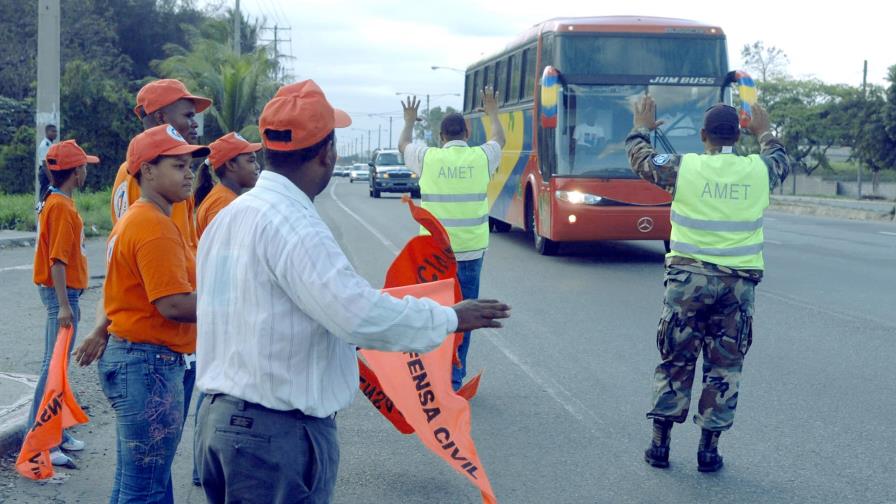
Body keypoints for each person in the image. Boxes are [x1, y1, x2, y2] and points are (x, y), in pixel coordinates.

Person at [194, 80, 511, 503]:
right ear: (327, 153)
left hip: (221, 425)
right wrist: (452, 317)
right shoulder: (295, 226)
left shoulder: (230, 217)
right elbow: (358, 316)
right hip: (274, 438)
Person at [626, 96, 791, 472]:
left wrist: (641, 127)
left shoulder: (686, 168)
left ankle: (659, 446)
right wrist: (764, 132)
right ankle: (708, 451)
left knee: (676, 360)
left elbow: (641, 158)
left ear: (703, 136)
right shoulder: (758, 170)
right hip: (737, 286)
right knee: (724, 368)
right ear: (739, 135)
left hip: (688, 283)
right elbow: (780, 157)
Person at [90, 124, 209, 502]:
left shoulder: (144, 218)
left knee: (133, 483)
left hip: (138, 360)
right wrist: (234, 304)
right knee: (146, 489)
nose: (189, 172)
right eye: (177, 165)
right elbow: (172, 304)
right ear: (147, 170)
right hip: (150, 365)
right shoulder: (154, 226)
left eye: (191, 165)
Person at [106, 78, 211, 429]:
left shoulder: (167, 177)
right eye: (187, 115)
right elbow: (139, 268)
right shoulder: (149, 183)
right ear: (159, 116)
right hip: (156, 339)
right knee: (150, 471)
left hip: (167, 334)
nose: (194, 123)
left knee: (150, 465)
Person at [398, 86, 506, 391]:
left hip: (434, 254)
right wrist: (493, 113)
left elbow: (404, 143)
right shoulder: (480, 158)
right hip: (470, 252)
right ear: (467, 132)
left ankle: (430, 377)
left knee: (433, 314)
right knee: (464, 316)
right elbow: (500, 139)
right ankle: (454, 380)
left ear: (439, 135)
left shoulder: (427, 158)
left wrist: (409, 120)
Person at [31, 139, 99, 467]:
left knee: (57, 368)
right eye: (84, 165)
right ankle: (41, 439)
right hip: (63, 295)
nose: (87, 169)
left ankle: (56, 433)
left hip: (66, 293)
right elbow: (57, 261)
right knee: (51, 368)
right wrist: (63, 305)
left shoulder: (58, 201)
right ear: (75, 172)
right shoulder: (60, 207)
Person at [194, 131, 261, 238]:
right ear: (230, 164)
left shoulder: (224, 196)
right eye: (251, 161)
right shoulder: (223, 202)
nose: (257, 166)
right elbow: (222, 251)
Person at [36, 124, 58, 197]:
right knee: (44, 195)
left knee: (49, 195)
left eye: (56, 132)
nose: (55, 134)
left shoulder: (50, 144)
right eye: (53, 131)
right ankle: (40, 208)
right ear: (47, 132)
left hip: (49, 171)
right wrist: (51, 179)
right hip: (46, 172)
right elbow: (45, 164)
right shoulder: (44, 145)